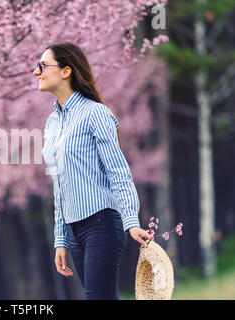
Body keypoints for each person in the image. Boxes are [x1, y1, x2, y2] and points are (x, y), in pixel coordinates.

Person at [35, 42, 150, 300]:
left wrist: (130, 221)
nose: (36, 72)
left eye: (42, 66)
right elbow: (59, 185)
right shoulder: (53, 122)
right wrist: (61, 239)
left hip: (102, 223)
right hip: (74, 230)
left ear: (66, 71)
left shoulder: (95, 113)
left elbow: (118, 170)